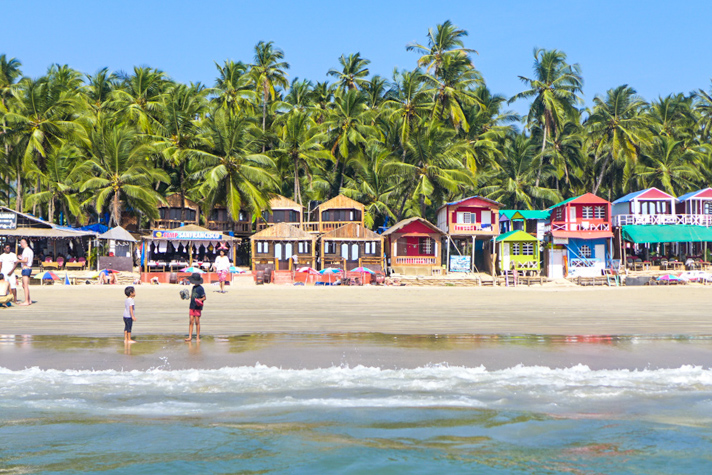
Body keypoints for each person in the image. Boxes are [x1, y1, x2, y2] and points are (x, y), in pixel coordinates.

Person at [185, 272, 206, 342]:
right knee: (191, 321)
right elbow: (193, 295)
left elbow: (204, 297)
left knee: (197, 321)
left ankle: (197, 337)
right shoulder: (193, 287)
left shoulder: (201, 288)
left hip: (197, 307)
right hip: (192, 306)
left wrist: (199, 300)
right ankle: (190, 336)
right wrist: (187, 296)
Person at [17, 239, 33, 306]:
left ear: (23, 243)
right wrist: (21, 258)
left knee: (25, 285)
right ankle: (28, 300)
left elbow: (26, 260)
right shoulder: (30, 250)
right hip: (28, 268)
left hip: (26, 268)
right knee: (24, 285)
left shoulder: (26, 250)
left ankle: (26, 301)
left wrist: (18, 261)